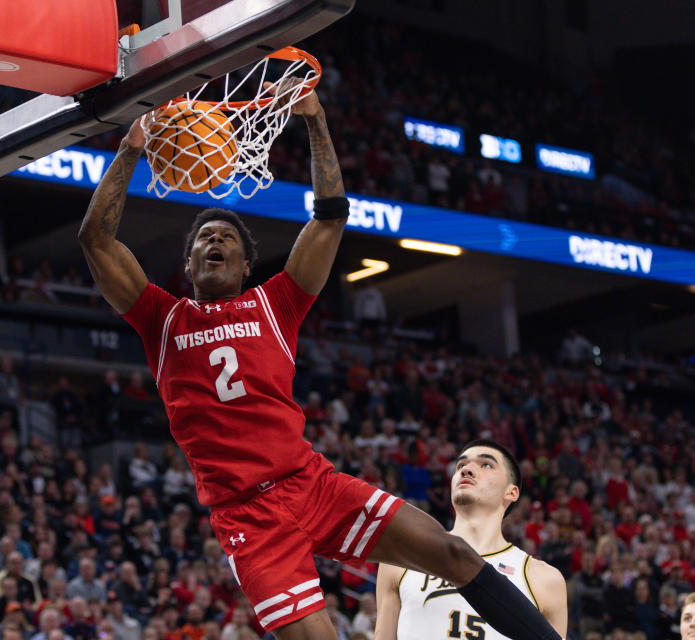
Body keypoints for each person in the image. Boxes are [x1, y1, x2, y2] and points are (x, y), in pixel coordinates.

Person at [78, 86, 562, 640]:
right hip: (247, 517)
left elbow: (331, 216)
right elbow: (95, 238)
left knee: (453, 552)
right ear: (188, 263)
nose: (214, 241)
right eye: (204, 238)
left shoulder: (276, 303)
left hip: (312, 484)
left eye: (227, 238)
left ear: (244, 264)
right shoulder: (161, 318)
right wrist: (131, 148)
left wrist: (314, 120)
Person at [374, 440, 567, 640]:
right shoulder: (402, 559)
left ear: (511, 492)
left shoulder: (543, 579)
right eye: (460, 465)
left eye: (486, 465)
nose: (467, 470)